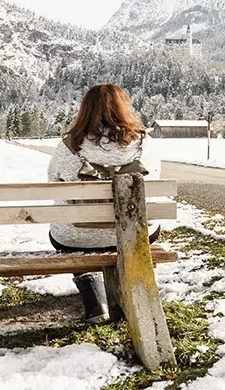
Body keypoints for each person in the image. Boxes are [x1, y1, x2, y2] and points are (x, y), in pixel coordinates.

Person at [47, 84, 162, 324]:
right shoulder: (145, 143)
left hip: (76, 237)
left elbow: (54, 183)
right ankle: (130, 286)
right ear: (124, 109)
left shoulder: (68, 146)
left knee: (63, 229)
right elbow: (155, 180)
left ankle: (92, 293)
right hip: (134, 234)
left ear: (85, 110)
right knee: (148, 225)